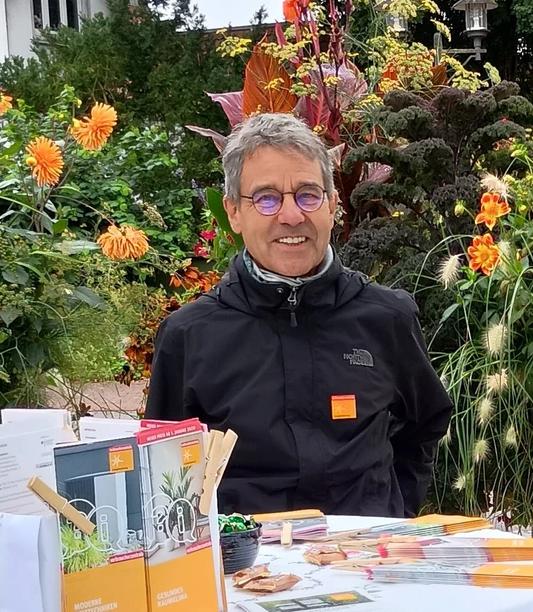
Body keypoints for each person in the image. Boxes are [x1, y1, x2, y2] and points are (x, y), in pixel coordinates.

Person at [145, 113, 453, 517]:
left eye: (308, 194)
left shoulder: (386, 319)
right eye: (267, 198)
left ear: (332, 205)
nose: (291, 215)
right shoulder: (189, 337)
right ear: (234, 212)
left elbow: (425, 423)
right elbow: (163, 469)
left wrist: (394, 510)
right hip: (244, 566)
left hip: (364, 562)